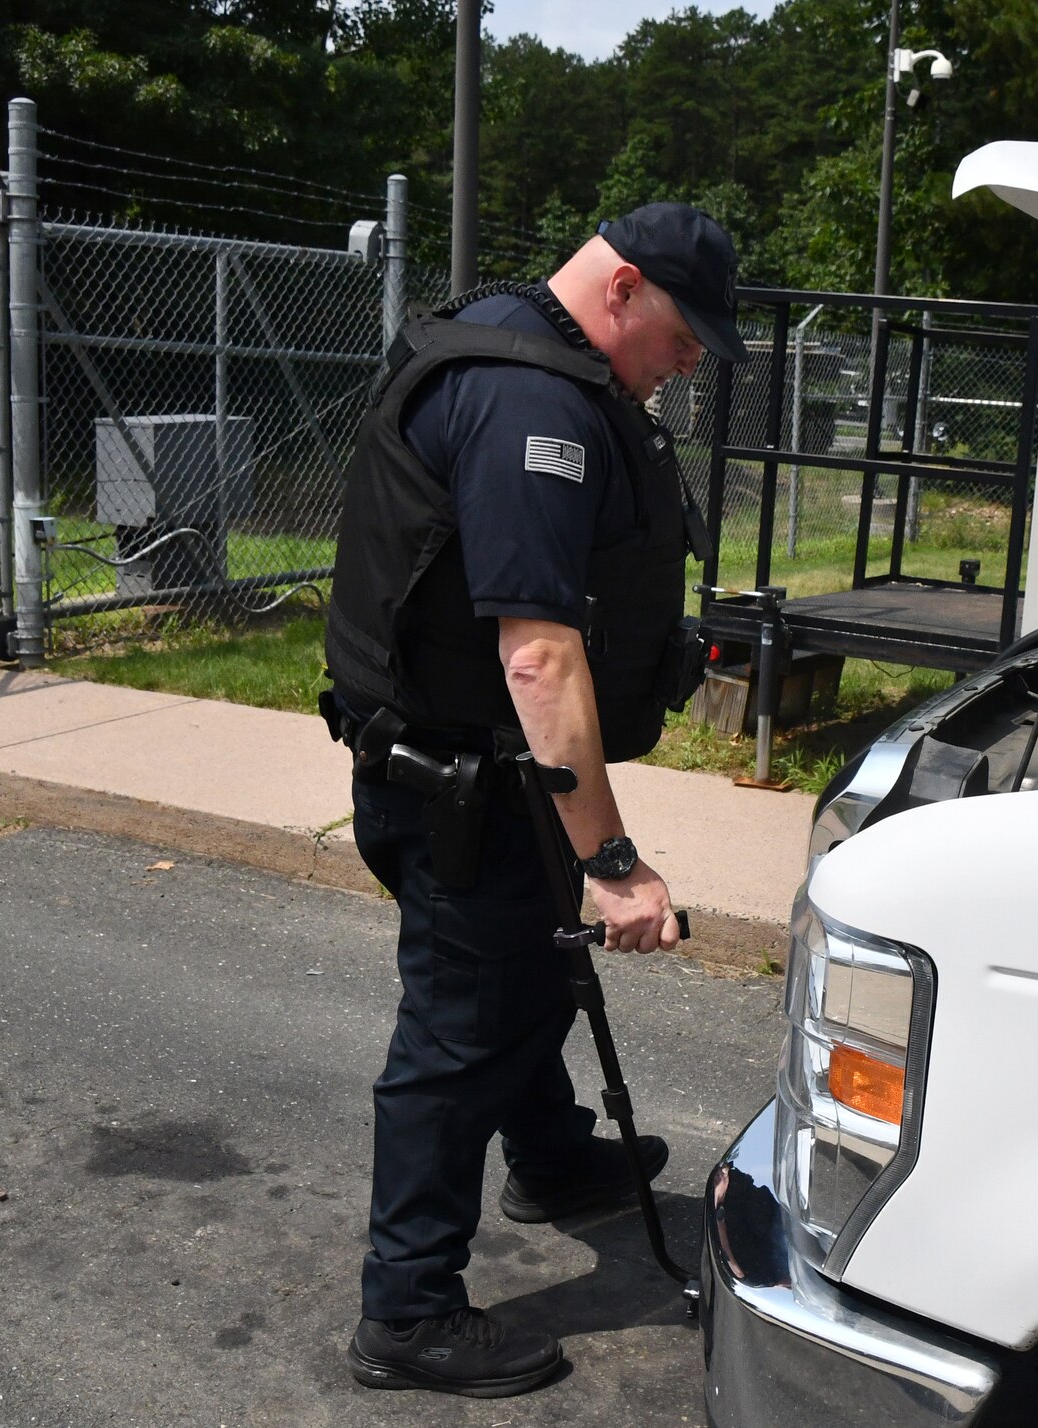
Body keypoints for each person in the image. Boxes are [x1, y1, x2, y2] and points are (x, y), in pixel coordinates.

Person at [317, 203, 747, 1398]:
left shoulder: (523, 344)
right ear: (619, 292)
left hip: (499, 778)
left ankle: (552, 1159)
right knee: (460, 1033)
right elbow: (538, 658)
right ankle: (405, 1312)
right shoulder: (532, 403)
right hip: (466, 785)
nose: (692, 359)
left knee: (525, 975)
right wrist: (613, 859)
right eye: (681, 331)